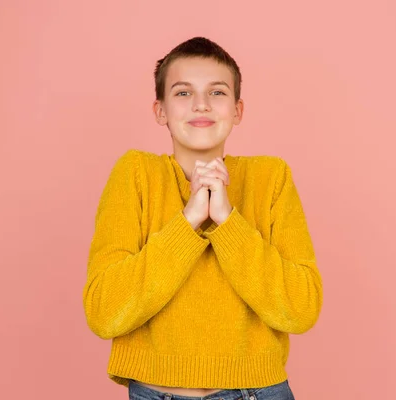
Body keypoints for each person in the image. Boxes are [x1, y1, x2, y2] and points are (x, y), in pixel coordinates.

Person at [82, 36, 323, 400]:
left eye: (217, 92)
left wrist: (228, 222)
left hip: (257, 392)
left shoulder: (271, 178)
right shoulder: (134, 174)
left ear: (238, 110)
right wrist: (189, 220)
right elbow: (104, 312)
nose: (201, 104)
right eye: (182, 93)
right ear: (160, 110)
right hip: (154, 392)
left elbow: (301, 309)